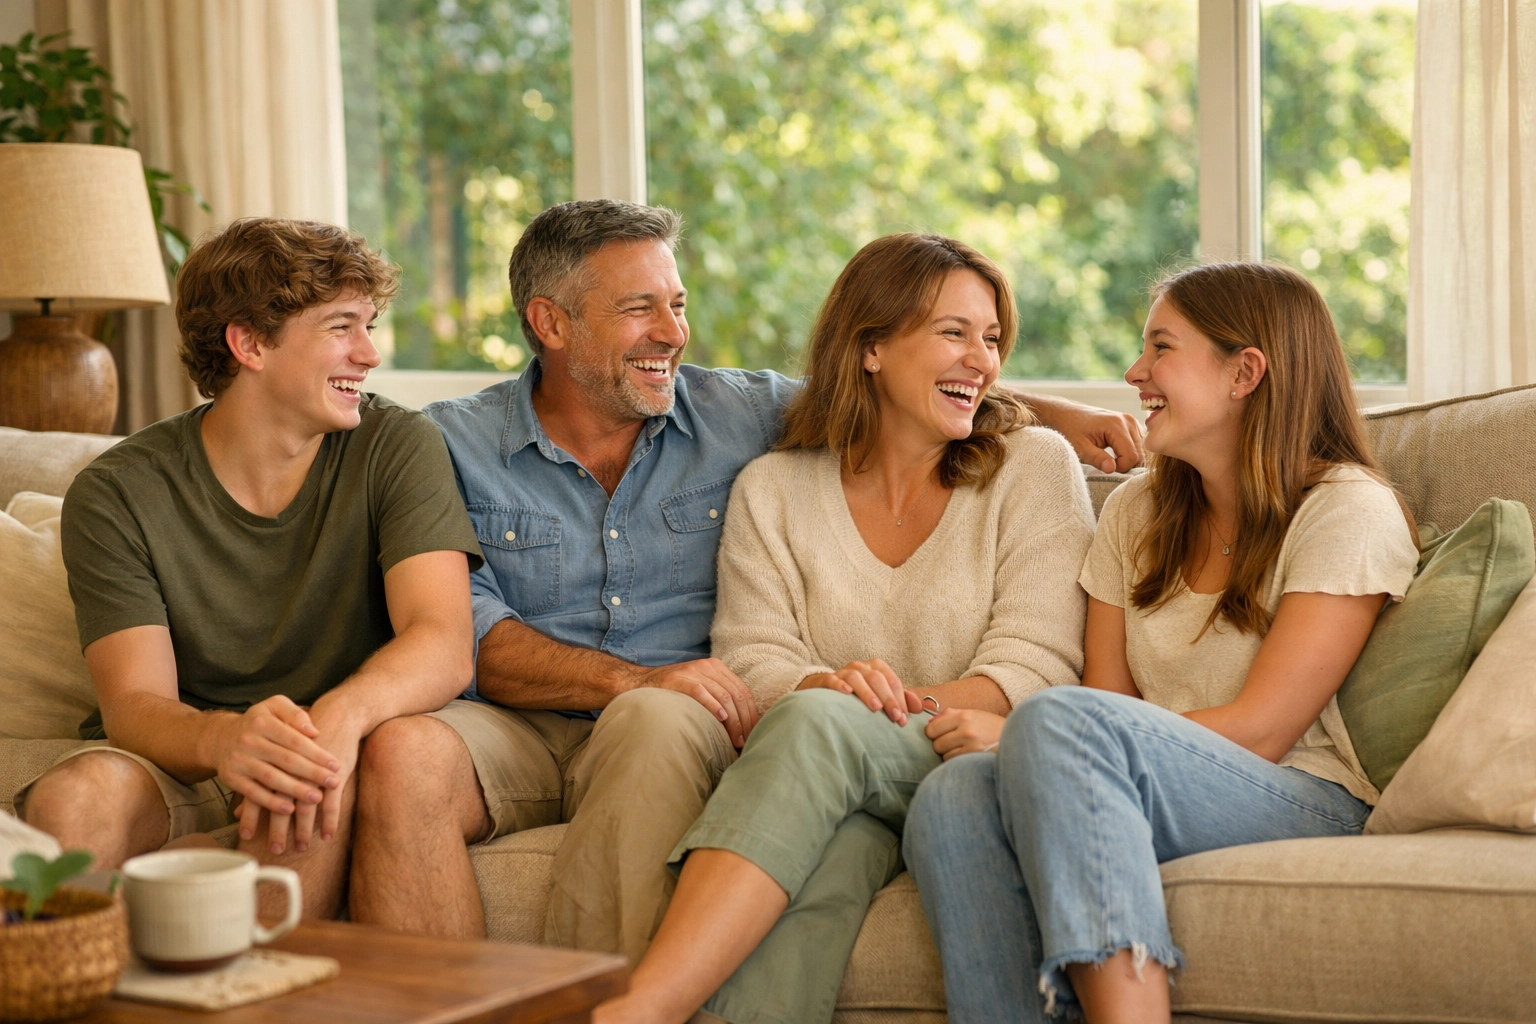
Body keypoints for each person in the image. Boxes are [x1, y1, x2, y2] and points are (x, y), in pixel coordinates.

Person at [351, 200, 1142, 960]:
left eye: (678, 304)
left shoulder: (734, 411)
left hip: (685, 724)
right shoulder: (450, 444)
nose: (673, 334)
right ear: (549, 322)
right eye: (640, 309)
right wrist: (636, 677)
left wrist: (1052, 413)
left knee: (652, 717)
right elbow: (466, 637)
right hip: (521, 721)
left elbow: (892, 384)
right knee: (401, 751)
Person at [590, 232, 1097, 1024]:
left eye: (992, 339)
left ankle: (636, 1011)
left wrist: (850, 708)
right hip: (836, 783)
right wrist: (820, 689)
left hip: (973, 761)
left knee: (822, 725)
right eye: (953, 333)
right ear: (871, 348)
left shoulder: (1034, 466)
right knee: (829, 857)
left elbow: (1036, 664)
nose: (982, 360)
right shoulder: (774, 487)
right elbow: (753, 658)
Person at [903, 261, 1422, 1024]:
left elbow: (1265, 728)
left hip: (1300, 793)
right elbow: (1109, 702)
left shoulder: (1346, 510)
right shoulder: (1137, 512)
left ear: (1245, 372)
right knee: (950, 795)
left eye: (1162, 349)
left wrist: (1025, 735)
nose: (1134, 372)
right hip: (1138, 780)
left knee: (1055, 723)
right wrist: (1049, 744)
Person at [16, 218, 484, 919]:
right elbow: (135, 704)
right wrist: (227, 739)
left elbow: (442, 640)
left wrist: (337, 717)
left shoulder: (397, 446)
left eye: (369, 325)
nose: (370, 353)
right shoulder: (118, 491)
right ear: (250, 343)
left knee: (304, 781)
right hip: (196, 759)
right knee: (75, 798)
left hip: (333, 747)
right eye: (342, 327)